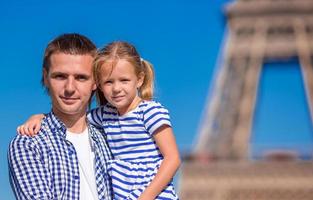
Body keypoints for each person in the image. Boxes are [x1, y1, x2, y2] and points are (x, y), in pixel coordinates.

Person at [18, 41, 181, 200]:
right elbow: (73, 117)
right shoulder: (106, 116)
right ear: (100, 85)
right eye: (109, 82)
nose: (116, 88)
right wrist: (40, 117)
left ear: (139, 79)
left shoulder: (151, 111)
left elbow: (172, 158)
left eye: (124, 80)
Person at [9, 33, 113, 200]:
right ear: (46, 77)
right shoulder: (29, 144)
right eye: (60, 76)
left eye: (81, 77)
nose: (70, 87)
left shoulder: (112, 137)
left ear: (95, 82)